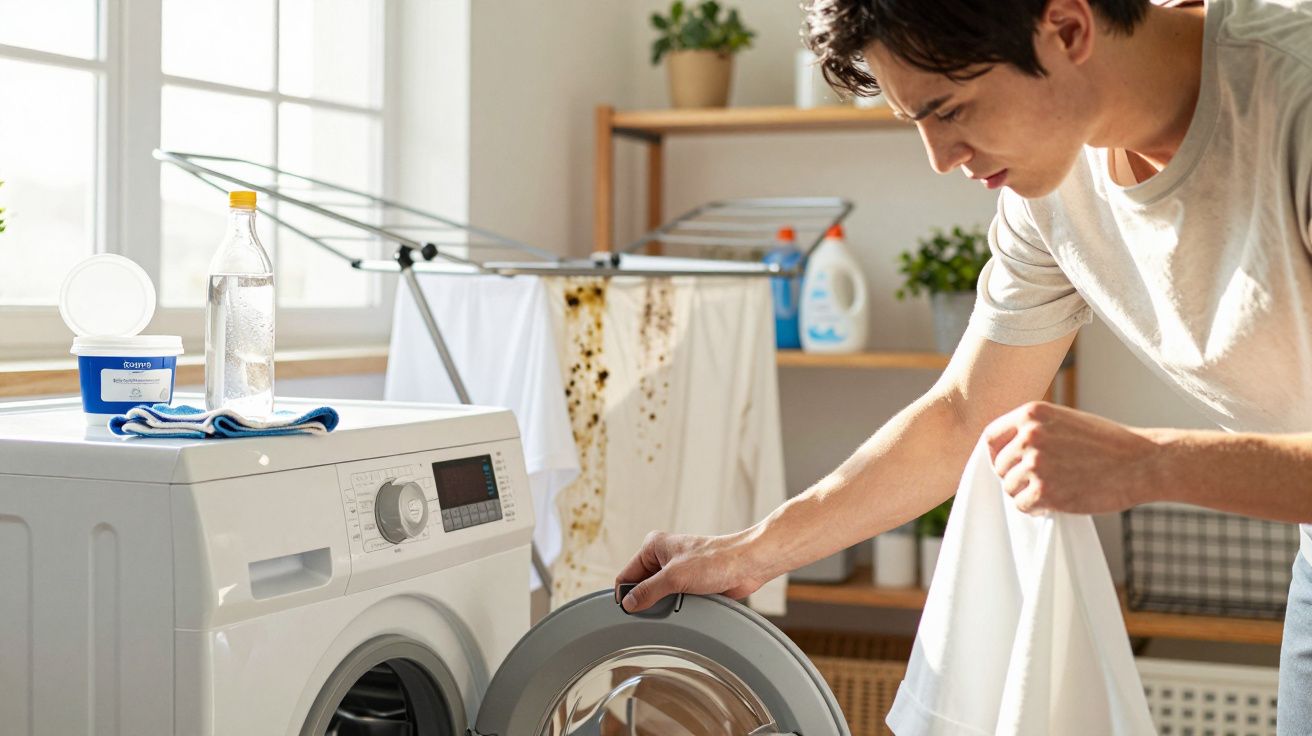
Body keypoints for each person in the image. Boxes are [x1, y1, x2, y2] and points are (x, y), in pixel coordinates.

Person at [614, 0, 1312, 725]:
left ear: (1068, 28)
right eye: (915, 120)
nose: (941, 158)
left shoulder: (1295, 102)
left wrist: (1149, 464)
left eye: (949, 110)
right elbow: (964, 413)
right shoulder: (1052, 184)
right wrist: (751, 553)